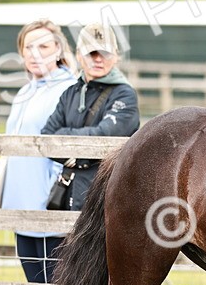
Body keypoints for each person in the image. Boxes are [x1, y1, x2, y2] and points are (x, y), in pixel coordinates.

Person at [1, 20, 76, 285]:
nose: (35, 55)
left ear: (60, 49)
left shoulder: (68, 90)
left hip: (51, 208)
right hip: (22, 209)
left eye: (44, 47)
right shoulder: (25, 92)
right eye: (29, 48)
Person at [41, 21, 140, 212]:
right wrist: (78, 158)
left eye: (105, 53)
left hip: (107, 194)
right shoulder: (70, 93)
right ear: (79, 55)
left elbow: (104, 136)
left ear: (116, 56)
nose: (98, 59)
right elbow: (47, 137)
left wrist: (66, 140)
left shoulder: (125, 95)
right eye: (91, 53)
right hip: (71, 192)